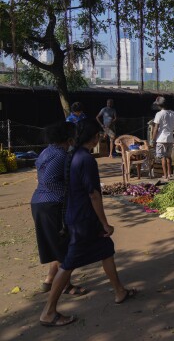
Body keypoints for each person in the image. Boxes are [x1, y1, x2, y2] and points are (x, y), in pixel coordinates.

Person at [39, 119, 136, 327]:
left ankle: (120, 291)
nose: (100, 137)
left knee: (106, 249)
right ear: (94, 137)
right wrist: (105, 223)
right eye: (99, 134)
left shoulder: (74, 155)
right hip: (83, 219)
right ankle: (48, 311)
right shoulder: (85, 160)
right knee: (68, 264)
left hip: (80, 216)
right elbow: (93, 195)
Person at [31, 122, 88, 296]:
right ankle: (66, 286)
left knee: (56, 244)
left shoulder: (46, 151)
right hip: (52, 205)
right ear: (68, 138)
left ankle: (49, 280)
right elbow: (49, 179)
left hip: (39, 202)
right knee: (65, 245)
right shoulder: (61, 155)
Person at [152, 96, 174, 181]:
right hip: (170, 138)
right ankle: (169, 174)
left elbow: (156, 128)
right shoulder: (173, 113)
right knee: (168, 157)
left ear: (159, 105)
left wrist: (153, 139)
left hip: (161, 139)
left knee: (163, 157)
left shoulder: (159, 114)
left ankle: (165, 176)